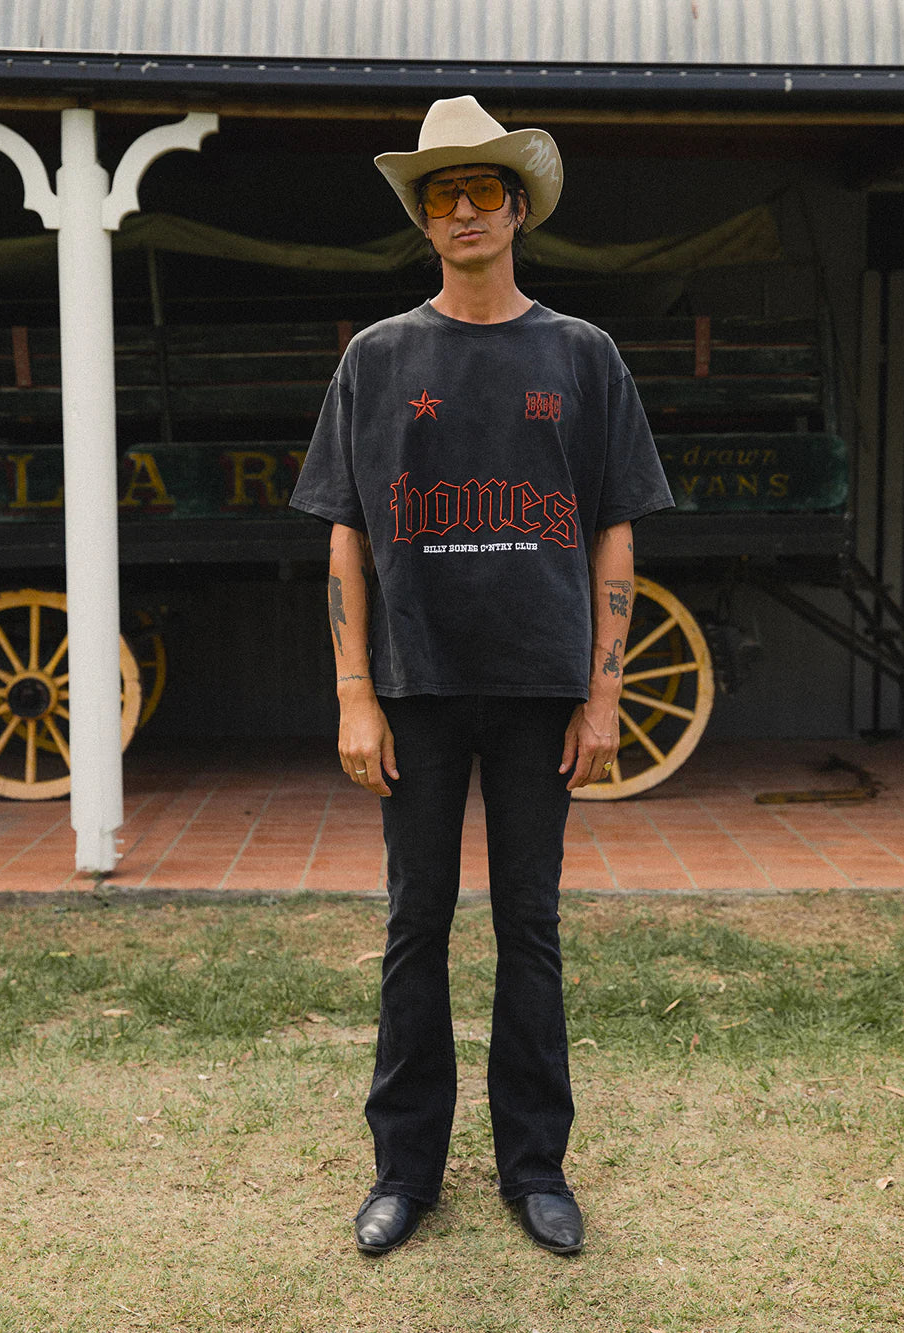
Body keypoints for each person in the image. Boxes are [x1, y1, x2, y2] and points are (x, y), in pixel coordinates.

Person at [290, 95, 673, 1256]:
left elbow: (615, 527)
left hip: (538, 690)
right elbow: (345, 529)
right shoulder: (377, 357)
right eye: (439, 194)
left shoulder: (582, 355)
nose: (462, 210)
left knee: (530, 925)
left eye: (481, 191)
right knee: (416, 924)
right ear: (424, 218)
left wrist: (604, 689)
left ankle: (534, 1171)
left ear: (518, 209)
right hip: (412, 685)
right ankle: (405, 1173)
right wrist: (354, 690)